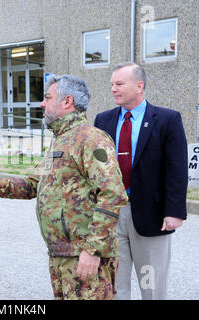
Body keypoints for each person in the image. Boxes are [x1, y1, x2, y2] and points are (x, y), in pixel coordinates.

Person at [0, 74, 128, 300]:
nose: (42, 103)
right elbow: (32, 185)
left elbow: (112, 194)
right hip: (61, 255)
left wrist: (93, 250)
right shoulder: (62, 140)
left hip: (83, 256)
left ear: (67, 102)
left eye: (47, 97)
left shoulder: (91, 138)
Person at [94, 62, 188, 300]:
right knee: (116, 286)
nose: (113, 89)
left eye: (119, 84)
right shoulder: (103, 120)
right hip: (112, 215)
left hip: (151, 217)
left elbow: (176, 169)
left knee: (152, 287)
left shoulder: (167, 119)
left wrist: (174, 211)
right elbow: (95, 167)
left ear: (139, 85)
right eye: (112, 84)